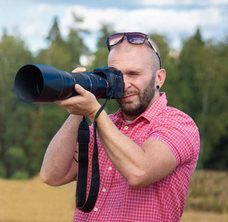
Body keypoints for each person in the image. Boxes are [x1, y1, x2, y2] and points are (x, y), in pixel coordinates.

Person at [40, 32, 200, 222]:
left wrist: (94, 112)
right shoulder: (103, 124)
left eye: (134, 74)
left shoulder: (178, 123)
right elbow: (52, 175)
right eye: (116, 75)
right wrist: (78, 104)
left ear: (159, 78)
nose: (124, 84)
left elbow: (140, 171)